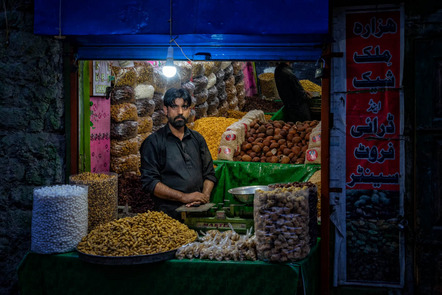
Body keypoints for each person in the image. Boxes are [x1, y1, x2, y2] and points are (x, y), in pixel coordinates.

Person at [140, 87, 217, 220]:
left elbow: (209, 174)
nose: (180, 112)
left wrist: (203, 197)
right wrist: (184, 197)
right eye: (175, 107)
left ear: (189, 110)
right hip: (168, 216)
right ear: (165, 110)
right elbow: (150, 183)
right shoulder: (153, 142)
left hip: (198, 212)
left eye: (185, 107)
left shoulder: (197, 139)